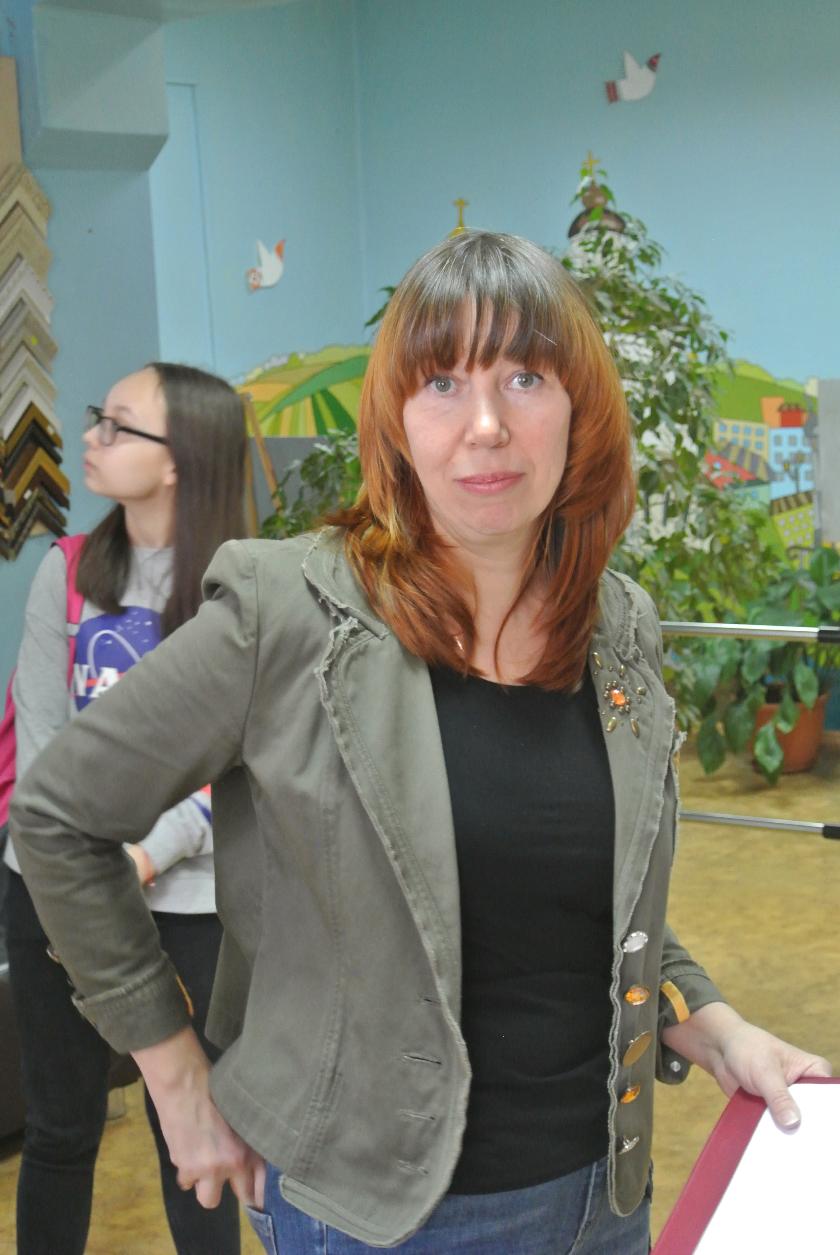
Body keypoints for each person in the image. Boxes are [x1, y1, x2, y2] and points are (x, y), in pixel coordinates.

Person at [10, 235, 830, 1255]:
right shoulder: (290, 612)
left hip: (605, 1199)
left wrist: (716, 1024)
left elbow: (593, 904)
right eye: (442, 382)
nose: (486, 425)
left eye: (525, 377)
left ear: (579, 409)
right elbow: (57, 818)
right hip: (383, 1221)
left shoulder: (615, 621)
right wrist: (175, 1076)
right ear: (396, 420)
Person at [5, 362, 246, 1255]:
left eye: (118, 424)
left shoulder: (240, 590)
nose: (91, 438)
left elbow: (234, 759)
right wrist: (85, 869)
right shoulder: (64, 571)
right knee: (60, 1127)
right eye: (96, 417)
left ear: (179, 458)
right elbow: (43, 749)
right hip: (53, 891)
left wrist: (143, 854)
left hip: (192, 895)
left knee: (195, 1130)